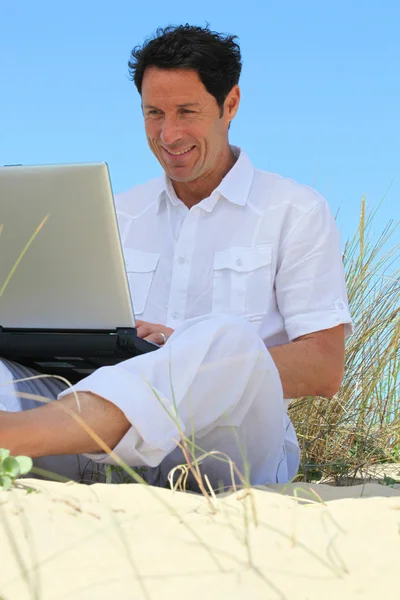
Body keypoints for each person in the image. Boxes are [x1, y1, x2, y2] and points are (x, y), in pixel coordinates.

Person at [0, 25, 352, 490]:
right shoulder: (116, 213)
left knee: (226, 339)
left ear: (230, 104)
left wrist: (179, 348)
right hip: (99, 447)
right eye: (154, 113)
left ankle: (11, 436)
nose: (169, 134)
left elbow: (324, 369)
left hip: (222, 452)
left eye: (187, 111)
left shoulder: (295, 210)